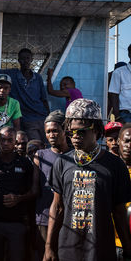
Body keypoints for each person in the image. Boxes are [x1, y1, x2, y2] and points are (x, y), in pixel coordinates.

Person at [44, 98, 131, 261]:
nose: (75, 137)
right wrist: (49, 247)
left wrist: (128, 248)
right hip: (67, 251)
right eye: (71, 132)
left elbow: (119, 213)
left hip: (101, 251)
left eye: (82, 131)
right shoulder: (62, 163)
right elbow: (57, 207)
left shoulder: (115, 166)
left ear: (97, 131)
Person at [0, 126, 39, 261]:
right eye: (3, 140)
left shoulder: (25, 164)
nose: (6, 143)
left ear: (15, 142)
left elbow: (33, 192)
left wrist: (19, 198)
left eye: (10, 140)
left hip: (17, 224)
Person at [0, 48, 50, 142]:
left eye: (27, 58)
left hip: (42, 117)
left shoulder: (38, 78)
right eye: (22, 59)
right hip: (28, 120)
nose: (25, 61)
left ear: (31, 60)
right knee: (35, 145)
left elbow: (44, 98)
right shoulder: (12, 74)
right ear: (18, 60)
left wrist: (48, 117)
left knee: (48, 144)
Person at [33, 110, 70, 261]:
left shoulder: (74, 156)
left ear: (64, 130)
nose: (51, 135)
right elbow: (35, 190)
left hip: (67, 220)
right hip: (44, 219)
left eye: (55, 130)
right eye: (48, 132)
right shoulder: (40, 156)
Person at [116, 123, 131, 259]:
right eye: (126, 141)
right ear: (118, 142)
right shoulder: (109, 171)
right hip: (110, 242)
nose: (129, 146)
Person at [108, 44, 131, 123]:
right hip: (126, 115)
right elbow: (113, 94)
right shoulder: (119, 72)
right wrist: (117, 116)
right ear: (129, 54)